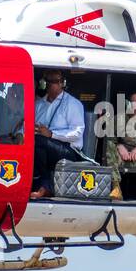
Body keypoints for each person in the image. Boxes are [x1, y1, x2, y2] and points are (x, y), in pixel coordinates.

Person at [31, 70, 85, 198]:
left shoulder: (72, 103)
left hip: (69, 150)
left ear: (62, 83)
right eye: (48, 81)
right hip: (45, 146)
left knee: (38, 141)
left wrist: (51, 134)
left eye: (54, 81)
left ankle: (45, 186)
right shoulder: (38, 104)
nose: (50, 85)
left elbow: (77, 133)